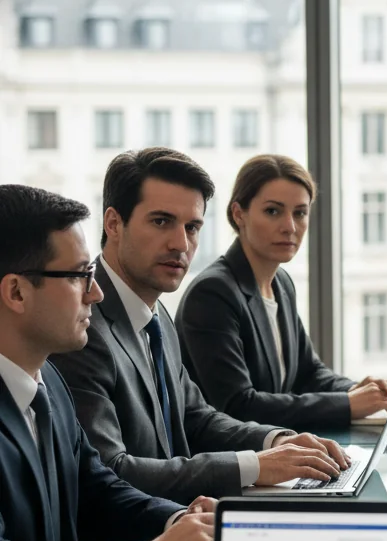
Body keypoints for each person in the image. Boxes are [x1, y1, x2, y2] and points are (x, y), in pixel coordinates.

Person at [50, 149, 348, 505]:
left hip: (186, 519)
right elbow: (111, 471)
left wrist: (278, 442)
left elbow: (197, 417)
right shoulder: (80, 328)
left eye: (192, 227)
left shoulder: (155, 311)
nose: (181, 244)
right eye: (161, 221)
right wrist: (253, 465)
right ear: (113, 223)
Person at [0, 185, 212, 541]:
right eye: (79, 275)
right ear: (17, 293)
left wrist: (179, 520)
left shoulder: (49, 381)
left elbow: (96, 489)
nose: (95, 293)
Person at [175, 154, 387, 429]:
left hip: (282, 449)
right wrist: (349, 404)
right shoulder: (213, 293)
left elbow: (309, 372)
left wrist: (361, 390)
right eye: (273, 211)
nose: (290, 227)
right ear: (238, 214)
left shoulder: (281, 283)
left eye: (300, 213)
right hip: (233, 460)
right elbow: (238, 405)